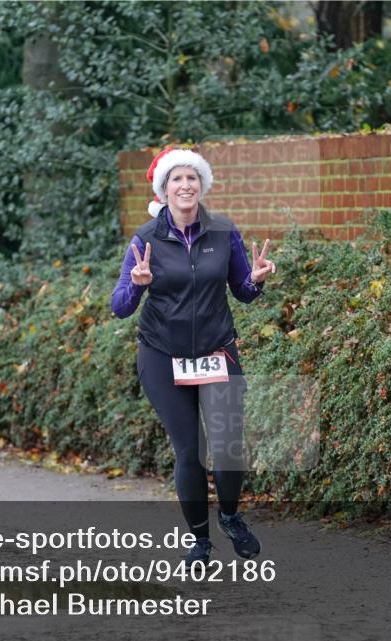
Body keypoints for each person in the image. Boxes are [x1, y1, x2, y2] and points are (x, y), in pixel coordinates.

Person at [110, 147, 276, 565]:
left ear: (201, 185)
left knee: (228, 445)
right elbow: (120, 307)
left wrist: (255, 280)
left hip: (217, 350)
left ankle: (231, 517)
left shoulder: (223, 232)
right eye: (176, 180)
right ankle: (200, 541)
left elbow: (242, 291)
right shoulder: (146, 239)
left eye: (192, 178)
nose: (185, 186)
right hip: (162, 356)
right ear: (164, 191)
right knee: (190, 450)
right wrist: (137, 283)